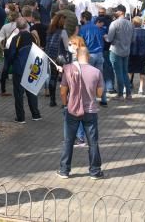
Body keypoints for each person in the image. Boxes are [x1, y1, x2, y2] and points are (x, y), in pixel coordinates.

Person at [56, 44, 104, 180]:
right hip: (90, 110)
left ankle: (64, 170)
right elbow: (100, 93)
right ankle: (95, 171)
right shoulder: (96, 72)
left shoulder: (69, 70)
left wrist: (65, 104)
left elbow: (62, 90)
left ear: (77, 56)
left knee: (68, 141)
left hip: (72, 109)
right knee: (93, 142)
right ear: (88, 57)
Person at [8, 18, 42, 123]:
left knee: (19, 93)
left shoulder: (16, 38)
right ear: (27, 25)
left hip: (19, 68)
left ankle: (20, 117)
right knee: (31, 91)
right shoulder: (33, 37)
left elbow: (11, 54)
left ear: (17, 27)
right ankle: (36, 114)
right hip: (32, 67)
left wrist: (10, 64)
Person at [79, 11, 107, 105]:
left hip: (89, 55)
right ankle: (104, 99)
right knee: (100, 78)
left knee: (89, 79)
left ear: (84, 18)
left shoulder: (82, 29)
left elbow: (81, 44)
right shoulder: (97, 28)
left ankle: (91, 100)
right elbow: (102, 41)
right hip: (99, 54)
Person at [107, 5, 134, 99]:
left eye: (116, 11)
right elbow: (133, 39)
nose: (115, 12)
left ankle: (120, 94)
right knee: (125, 72)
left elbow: (109, 39)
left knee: (118, 73)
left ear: (121, 12)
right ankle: (129, 94)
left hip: (116, 50)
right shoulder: (131, 23)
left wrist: (105, 37)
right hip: (126, 50)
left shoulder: (114, 23)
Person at [45, 14, 69, 107]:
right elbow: (67, 46)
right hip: (61, 57)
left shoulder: (50, 31)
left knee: (53, 77)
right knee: (64, 79)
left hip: (51, 57)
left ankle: (52, 100)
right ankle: (64, 102)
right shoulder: (63, 32)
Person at [129, 16, 145, 95]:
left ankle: (126, 88)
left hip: (132, 53)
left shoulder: (130, 31)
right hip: (142, 54)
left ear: (133, 23)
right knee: (142, 72)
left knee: (130, 71)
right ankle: (141, 89)